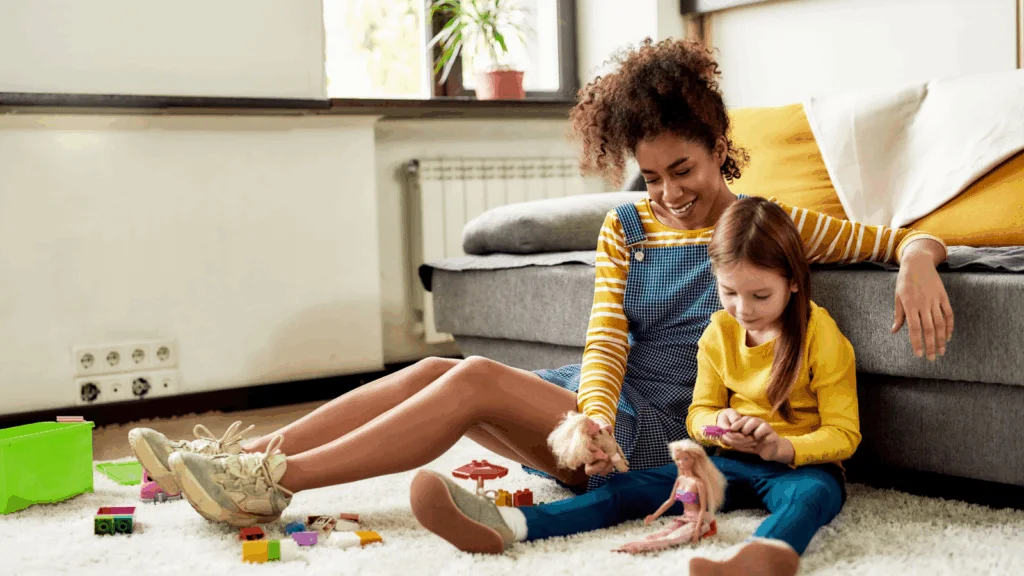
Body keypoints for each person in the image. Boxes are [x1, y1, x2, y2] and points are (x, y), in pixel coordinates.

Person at [127, 36, 952, 530]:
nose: (668, 191)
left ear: (718, 144)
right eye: (652, 173)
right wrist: (587, 413)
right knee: (433, 373)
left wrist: (917, 260)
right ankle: (221, 463)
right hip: (598, 414)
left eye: (685, 169)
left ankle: (269, 488)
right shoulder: (625, 227)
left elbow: (911, 235)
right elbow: (605, 338)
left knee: (473, 376)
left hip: (661, 436)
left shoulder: (766, 225)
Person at [411, 197, 860, 576]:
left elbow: (845, 434)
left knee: (810, 498)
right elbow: (698, 414)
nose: (743, 309)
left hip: (804, 466)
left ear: (794, 282)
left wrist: (784, 448)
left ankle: (764, 557)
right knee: (626, 489)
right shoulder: (719, 333)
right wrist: (719, 425)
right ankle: (508, 524)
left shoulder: (823, 337)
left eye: (760, 296)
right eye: (729, 293)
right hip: (726, 462)